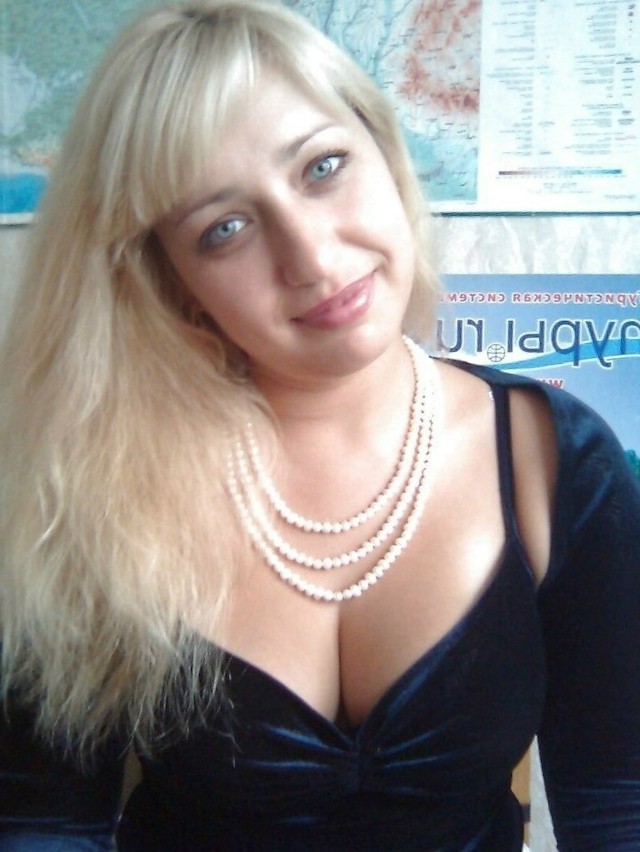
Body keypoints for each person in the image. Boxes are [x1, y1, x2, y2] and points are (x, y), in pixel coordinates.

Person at [1, 1, 639, 849]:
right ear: (170, 280)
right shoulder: (82, 484)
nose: (311, 257)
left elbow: (618, 802)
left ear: (385, 150)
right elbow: (43, 820)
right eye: (224, 229)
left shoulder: (555, 461)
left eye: (322, 166)